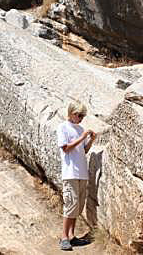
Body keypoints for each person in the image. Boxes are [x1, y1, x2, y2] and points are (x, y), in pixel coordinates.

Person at [57, 101, 96, 251]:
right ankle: (64, 237)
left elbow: (83, 151)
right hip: (70, 172)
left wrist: (90, 140)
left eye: (83, 116)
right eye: (79, 115)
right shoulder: (63, 127)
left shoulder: (80, 129)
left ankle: (72, 236)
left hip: (81, 172)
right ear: (72, 113)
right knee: (70, 205)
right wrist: (82, 137)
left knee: (77, 207)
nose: (81, 118)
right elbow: (66, 148)